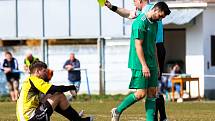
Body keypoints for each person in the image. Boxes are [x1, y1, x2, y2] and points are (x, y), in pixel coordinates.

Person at [106, 0, 168, 121]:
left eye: (134, 1)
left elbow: (154, 44)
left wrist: (157, 65)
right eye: (160, 16)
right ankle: (117, 111)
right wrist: (112, 7)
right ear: (155, 10)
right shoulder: (140, 20)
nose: (134, 4)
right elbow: (128, 14)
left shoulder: (154, 20)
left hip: (153, 57)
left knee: (153, 92)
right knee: (141, 94)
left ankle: (160, 117)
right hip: (140, 61)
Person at [16, 60, 93, 121]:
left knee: (52, 95)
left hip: (28, 117)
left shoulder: (29, 81)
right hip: (30, 119)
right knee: (59, 95)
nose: (46, 73)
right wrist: (71, 87)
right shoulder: (34, 80)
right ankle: (77, 120)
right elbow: (53, 88)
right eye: (44, 71)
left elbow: (50, 92)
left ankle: (76, 119)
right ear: (37, 71)